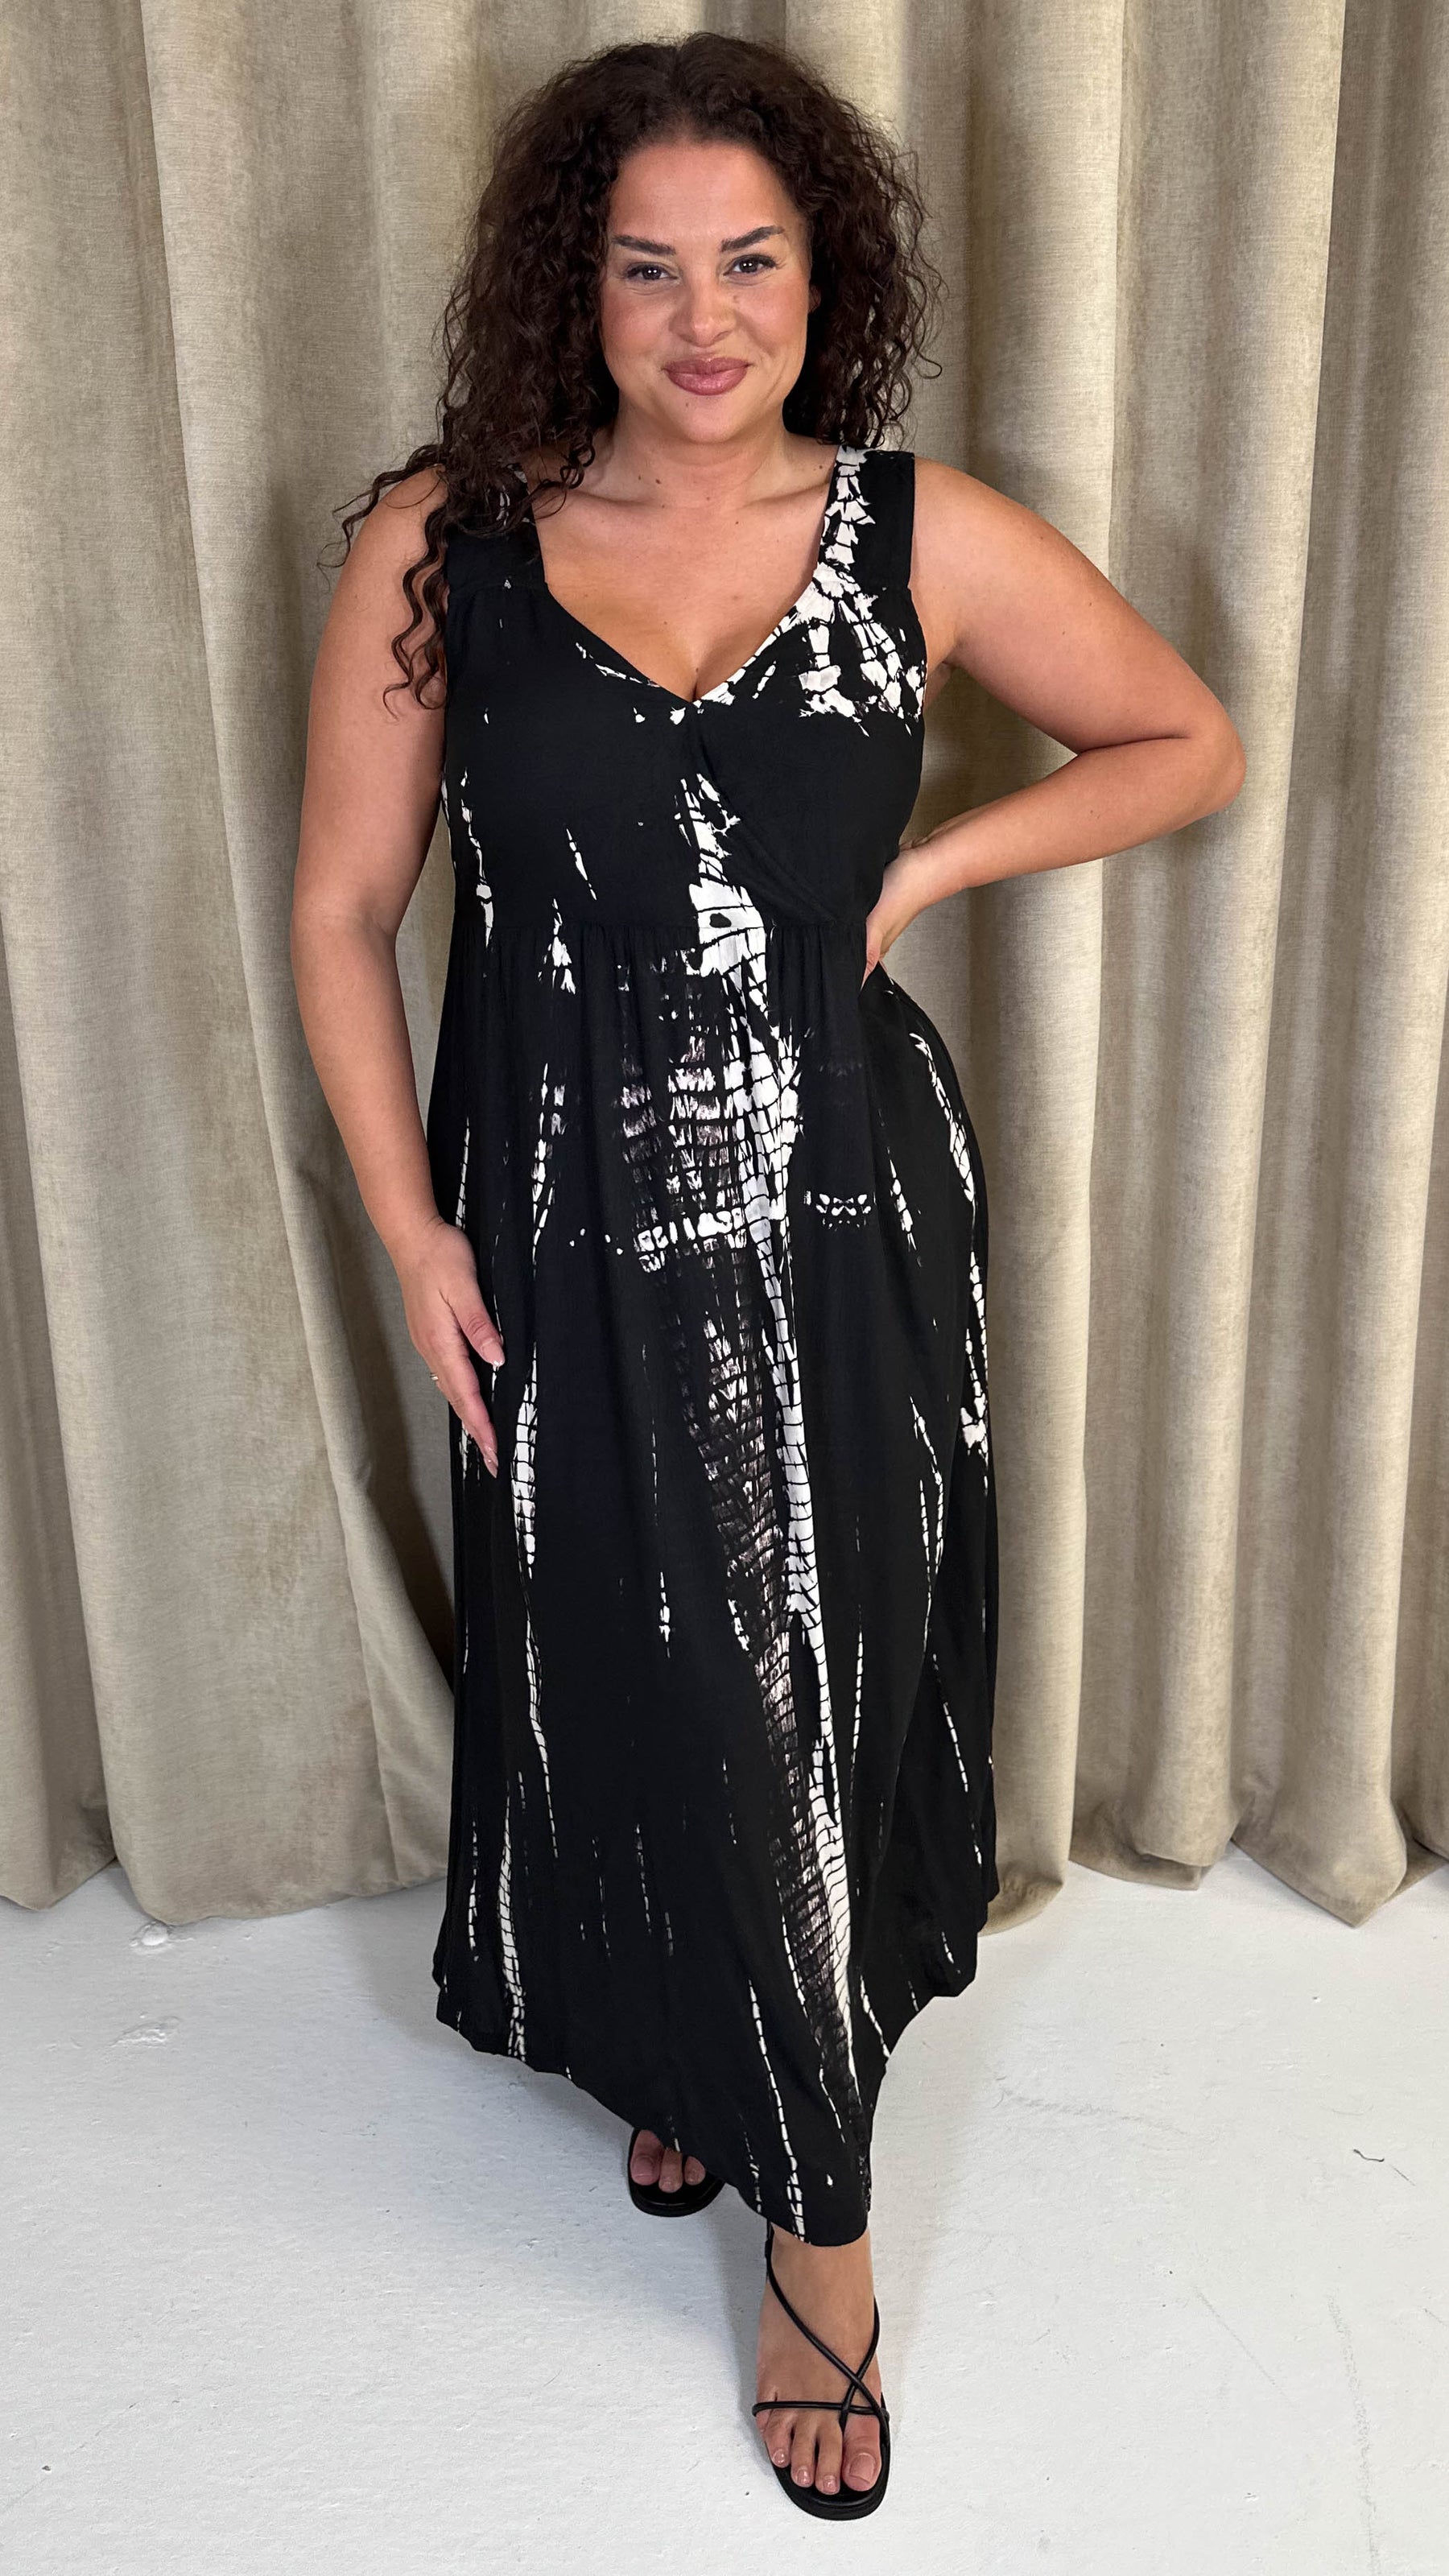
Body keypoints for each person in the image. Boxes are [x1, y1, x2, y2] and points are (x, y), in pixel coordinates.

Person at [291, 31, 1244, 2521]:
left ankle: (823, 2240)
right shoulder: (444, 544)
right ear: (574, 288)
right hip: (554, 1227)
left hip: (839, 1223)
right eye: (647, 269)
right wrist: (407, 1226)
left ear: (827, 281)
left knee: (805, 1693)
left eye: (750, 262)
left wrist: (919, 876)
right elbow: (344, 907)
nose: (703, 318)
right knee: (624, 1655)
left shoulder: (919, 536)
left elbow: (1183, 738)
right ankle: (682, 2049)